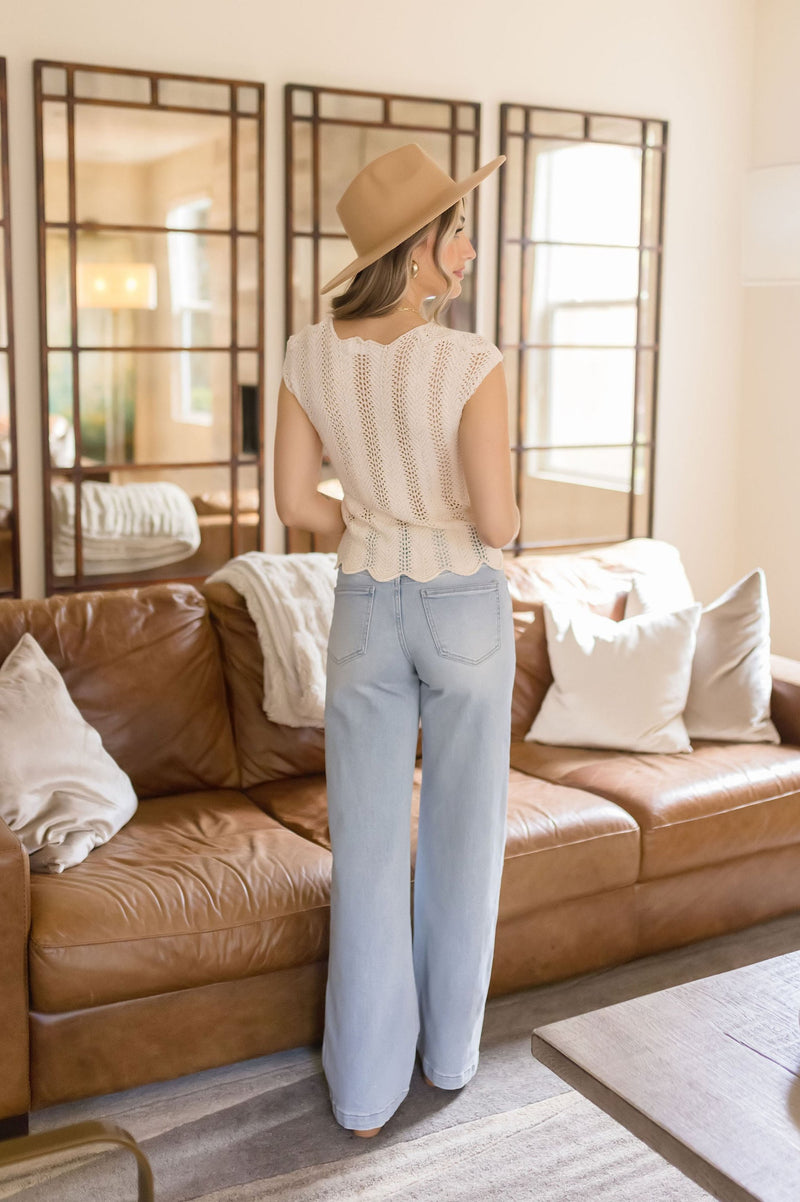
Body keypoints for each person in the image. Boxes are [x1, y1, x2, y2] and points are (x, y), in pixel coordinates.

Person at [274, 142, 520, 1138]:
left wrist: (367, 527)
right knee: (464, 837)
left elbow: (298, 503)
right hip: (461, 602)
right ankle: (450, 1056)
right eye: (455, 232)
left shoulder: (306, 354)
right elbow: (497, 525)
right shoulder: (469, 364)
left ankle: (363, 1095)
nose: (465, 250)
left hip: (362, 604)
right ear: (417, 252)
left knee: (367, 848)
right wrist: (460, 519)